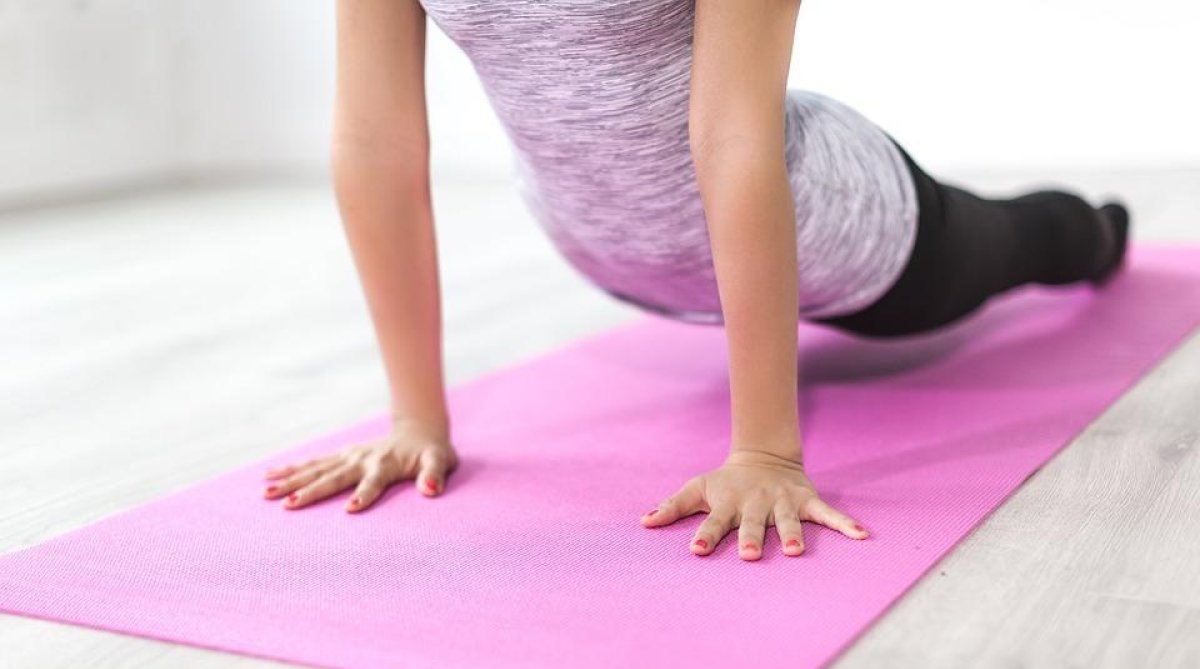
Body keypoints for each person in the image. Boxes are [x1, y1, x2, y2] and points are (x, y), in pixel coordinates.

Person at [260, 0, 1130, 561]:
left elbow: (734, 136)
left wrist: (764, 453)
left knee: (1027, 238)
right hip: (614, 247)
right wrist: (416, 418)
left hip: (843, 225)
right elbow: (377, 143)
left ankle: (1094, 232)